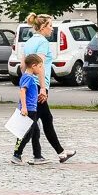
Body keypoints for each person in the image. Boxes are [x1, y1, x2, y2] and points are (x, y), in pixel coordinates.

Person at [21, 14, 76, 163]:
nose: (52, 29)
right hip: (39, 84)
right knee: (40, 119)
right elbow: (39, 66)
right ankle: (22, 154)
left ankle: (56, 153)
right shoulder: (43, 43)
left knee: (39, 119)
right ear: (43, 27)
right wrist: (43, 88)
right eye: (50, 26)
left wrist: (26, 80)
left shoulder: (29, 42)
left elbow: (23, 65)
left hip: (32, 83)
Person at [12, 54, 46, 164]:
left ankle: (38, 156)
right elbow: (23, 91)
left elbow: (29, 94)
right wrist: (24, 108)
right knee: (26, 133)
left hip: (32, 108)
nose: (41, 70)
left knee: (35, 132)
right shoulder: (28, 77)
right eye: (40, 67)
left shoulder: (29, 77)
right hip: (29, 110)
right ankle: (17, 154)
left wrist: (37, 96)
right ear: (33, 65)